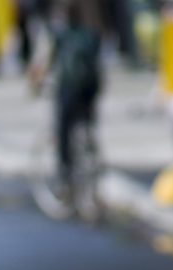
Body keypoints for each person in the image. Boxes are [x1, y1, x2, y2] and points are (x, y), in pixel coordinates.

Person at [51, 1, 102, 186]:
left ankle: (64, 172)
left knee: (63, 127)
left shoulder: (61, 35)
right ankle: (90, 151)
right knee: (87, 123)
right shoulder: (91, 34)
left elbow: (47, 60)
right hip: (91, 88)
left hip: (69, 87)